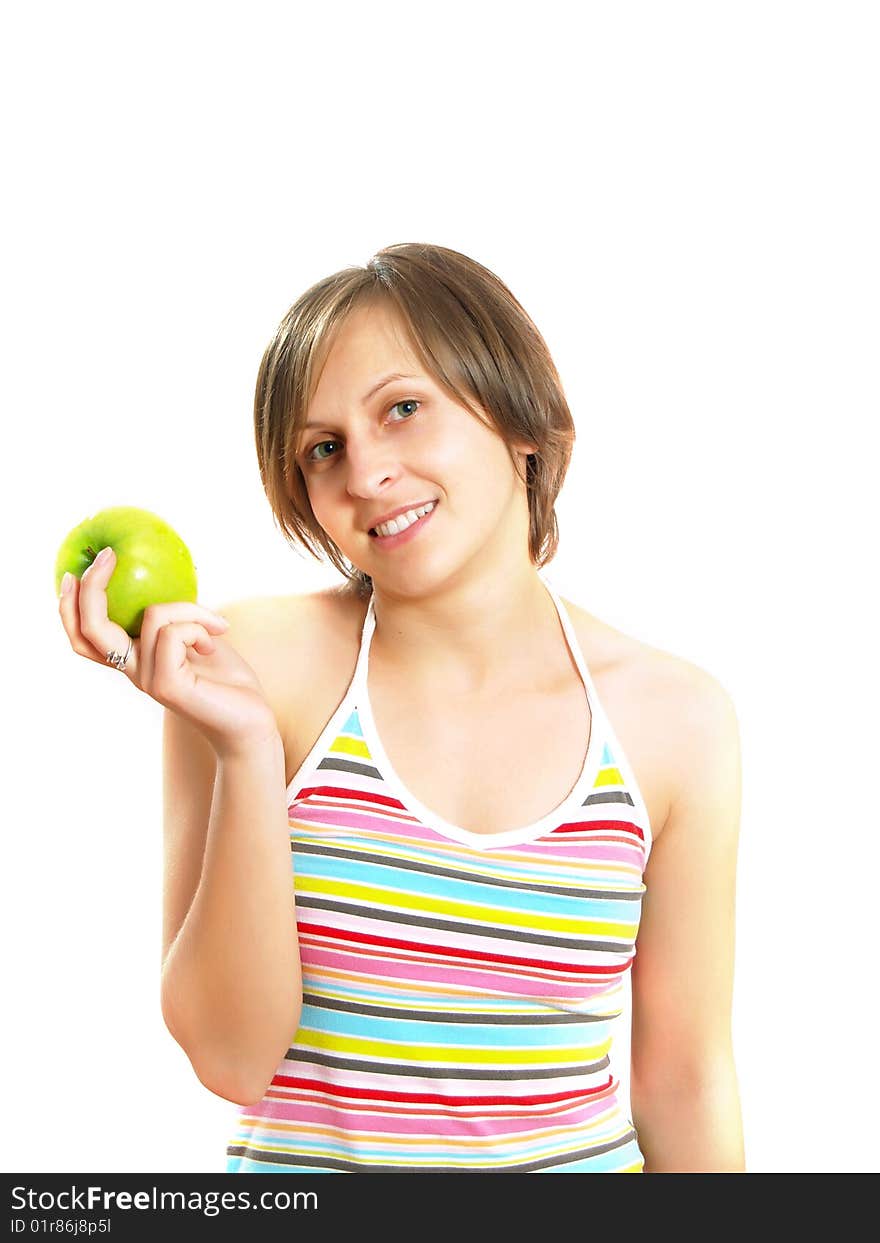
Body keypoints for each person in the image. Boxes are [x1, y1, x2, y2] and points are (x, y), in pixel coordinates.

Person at [58, 242, 745, 1173]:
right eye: (324, 447)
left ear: (522, 420)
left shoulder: (677, 721)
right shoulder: (245, 669)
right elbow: (229, 1056)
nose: (365, 473)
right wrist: (246, 750)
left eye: (404, 409)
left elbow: (686, 1080)